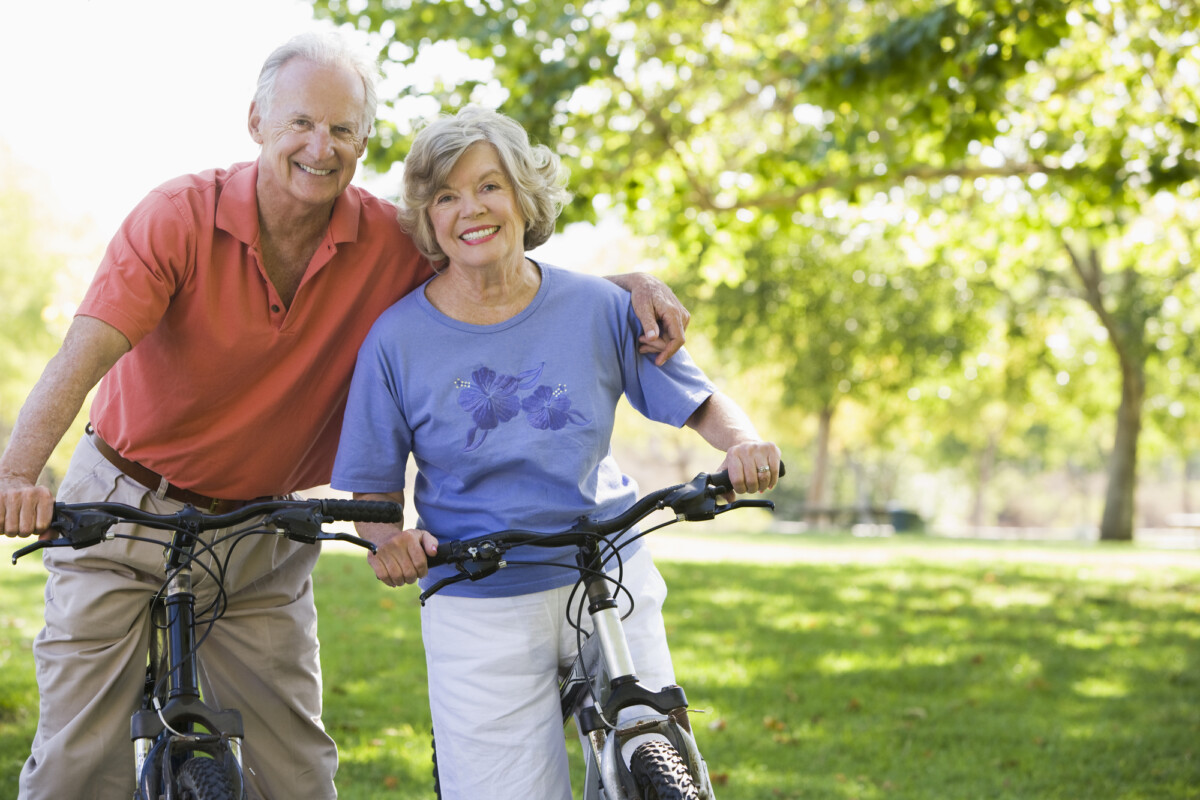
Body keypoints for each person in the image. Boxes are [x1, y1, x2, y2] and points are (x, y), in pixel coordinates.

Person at [0, 34, 690, 800]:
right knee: (76, 764)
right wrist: (18, 473)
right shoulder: (178, 217)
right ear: (257, 121)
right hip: (124, 509)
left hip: (262, 532)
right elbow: (83, 353)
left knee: (295, 773)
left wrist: (621, 288)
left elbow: (501, 269)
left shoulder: (389, 241)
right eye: (300, 123)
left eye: (342, 130)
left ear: (363, 142)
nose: (319, 147)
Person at [330, 106, 782, 799]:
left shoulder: (599, 307)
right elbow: (369, 492)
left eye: (489, 186)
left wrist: (745, 444)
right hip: (477, 590)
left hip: (608, 569)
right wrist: (388, 541)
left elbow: (700, 402)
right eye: (446, 195)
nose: (470, 209)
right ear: (427, 217)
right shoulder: (395, 340)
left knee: (658, 754)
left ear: (523, 196)